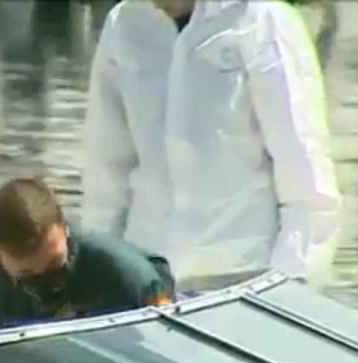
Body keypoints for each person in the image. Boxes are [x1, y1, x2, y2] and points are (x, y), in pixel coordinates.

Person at [82, 0, 341, 294]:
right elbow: (105, 171)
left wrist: (290, 290)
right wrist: (99, 275)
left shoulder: (262, 21)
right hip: (148, 279)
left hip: (245, 279)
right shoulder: (123, 24)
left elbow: (307, 182)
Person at [0, 177, 174, 334]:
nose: (46, 282)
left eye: (54, 264)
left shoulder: (122, 272)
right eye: (27, 275)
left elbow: (167, 346)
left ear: (65, 228)